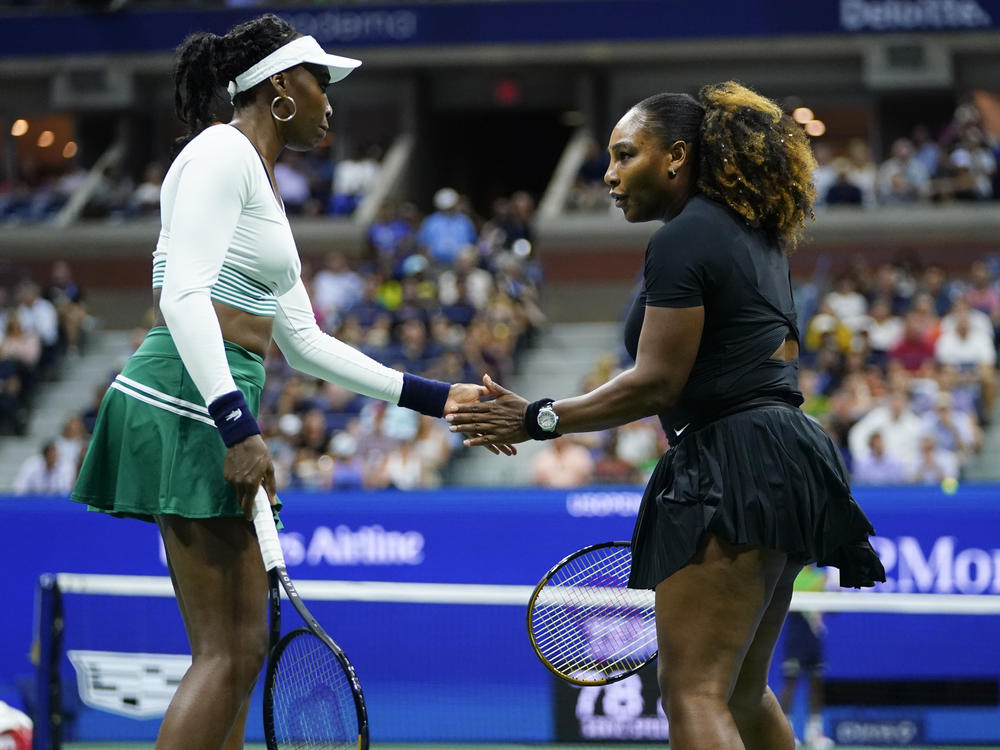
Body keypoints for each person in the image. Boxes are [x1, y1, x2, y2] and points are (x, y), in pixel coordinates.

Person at [69, 15, 508, 750]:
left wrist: (440, 397)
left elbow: (303, 344)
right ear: (279, 86)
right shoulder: (221, 152)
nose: (330, 99)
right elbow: (181, 297)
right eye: (320, 81)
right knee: (225, 653)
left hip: (204, 401)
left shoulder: (262, 188)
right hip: (187, 400)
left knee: (238, 654)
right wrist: (239, 428)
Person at [447, 81, 885, 750]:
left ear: (677, 157)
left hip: (731, 464)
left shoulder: (685, 238)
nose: (611, 175)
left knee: (695, 695)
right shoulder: (755, 236)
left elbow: (655, 383)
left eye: (626, 156)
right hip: (787, 459)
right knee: (740, 691)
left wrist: (539, 418)